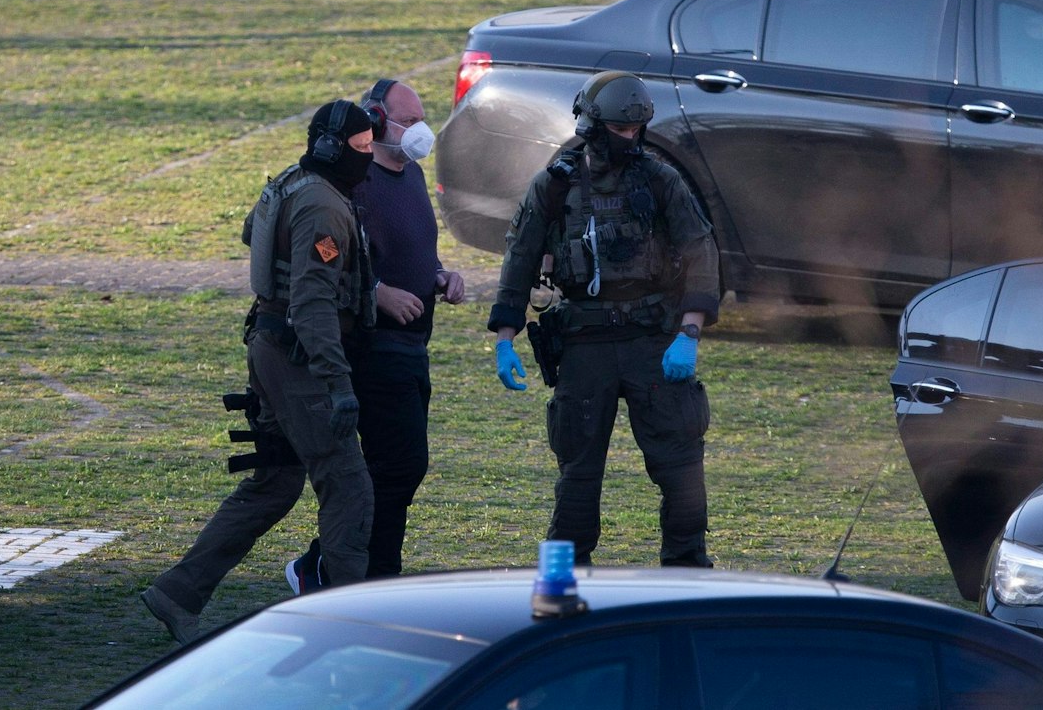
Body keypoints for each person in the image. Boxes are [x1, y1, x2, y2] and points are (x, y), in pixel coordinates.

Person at [142, 100, 379, 643]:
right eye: (361, 148)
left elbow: (254, 233)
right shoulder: (323, 206)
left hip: (272, 346)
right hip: (299, 358)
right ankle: (352, 625)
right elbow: (314, 302)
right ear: (332, 148)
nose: (367, 158)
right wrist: (338, 385)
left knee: (274, 480)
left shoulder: (294, 181)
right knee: (347, 486)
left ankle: (178, 593)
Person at [486, 71, 721, 567]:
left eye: (637, 130)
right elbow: (520, 255)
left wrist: (690, 332)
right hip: (583, 343)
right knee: (578, 470)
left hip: (652, 340)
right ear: (592, 125)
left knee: (680, 466)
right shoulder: (554, 186)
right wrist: (505, 337)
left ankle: (688, 573)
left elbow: (700, 249)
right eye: (621, 129)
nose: (631, 139)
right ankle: (566, 579)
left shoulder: (660, 180)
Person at [285, 79, 463, 590]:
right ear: (378, 121)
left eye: (422, 117)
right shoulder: (354, 182)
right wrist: (380, 291)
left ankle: (343, 567)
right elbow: (331, 261)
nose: (420, 130)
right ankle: (359, 573)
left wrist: (439, 275)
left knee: (396, 469)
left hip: (413, 344)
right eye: (409, 120)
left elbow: (412, 250)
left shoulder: (410, 176)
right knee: (398, 466)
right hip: (375, 345)